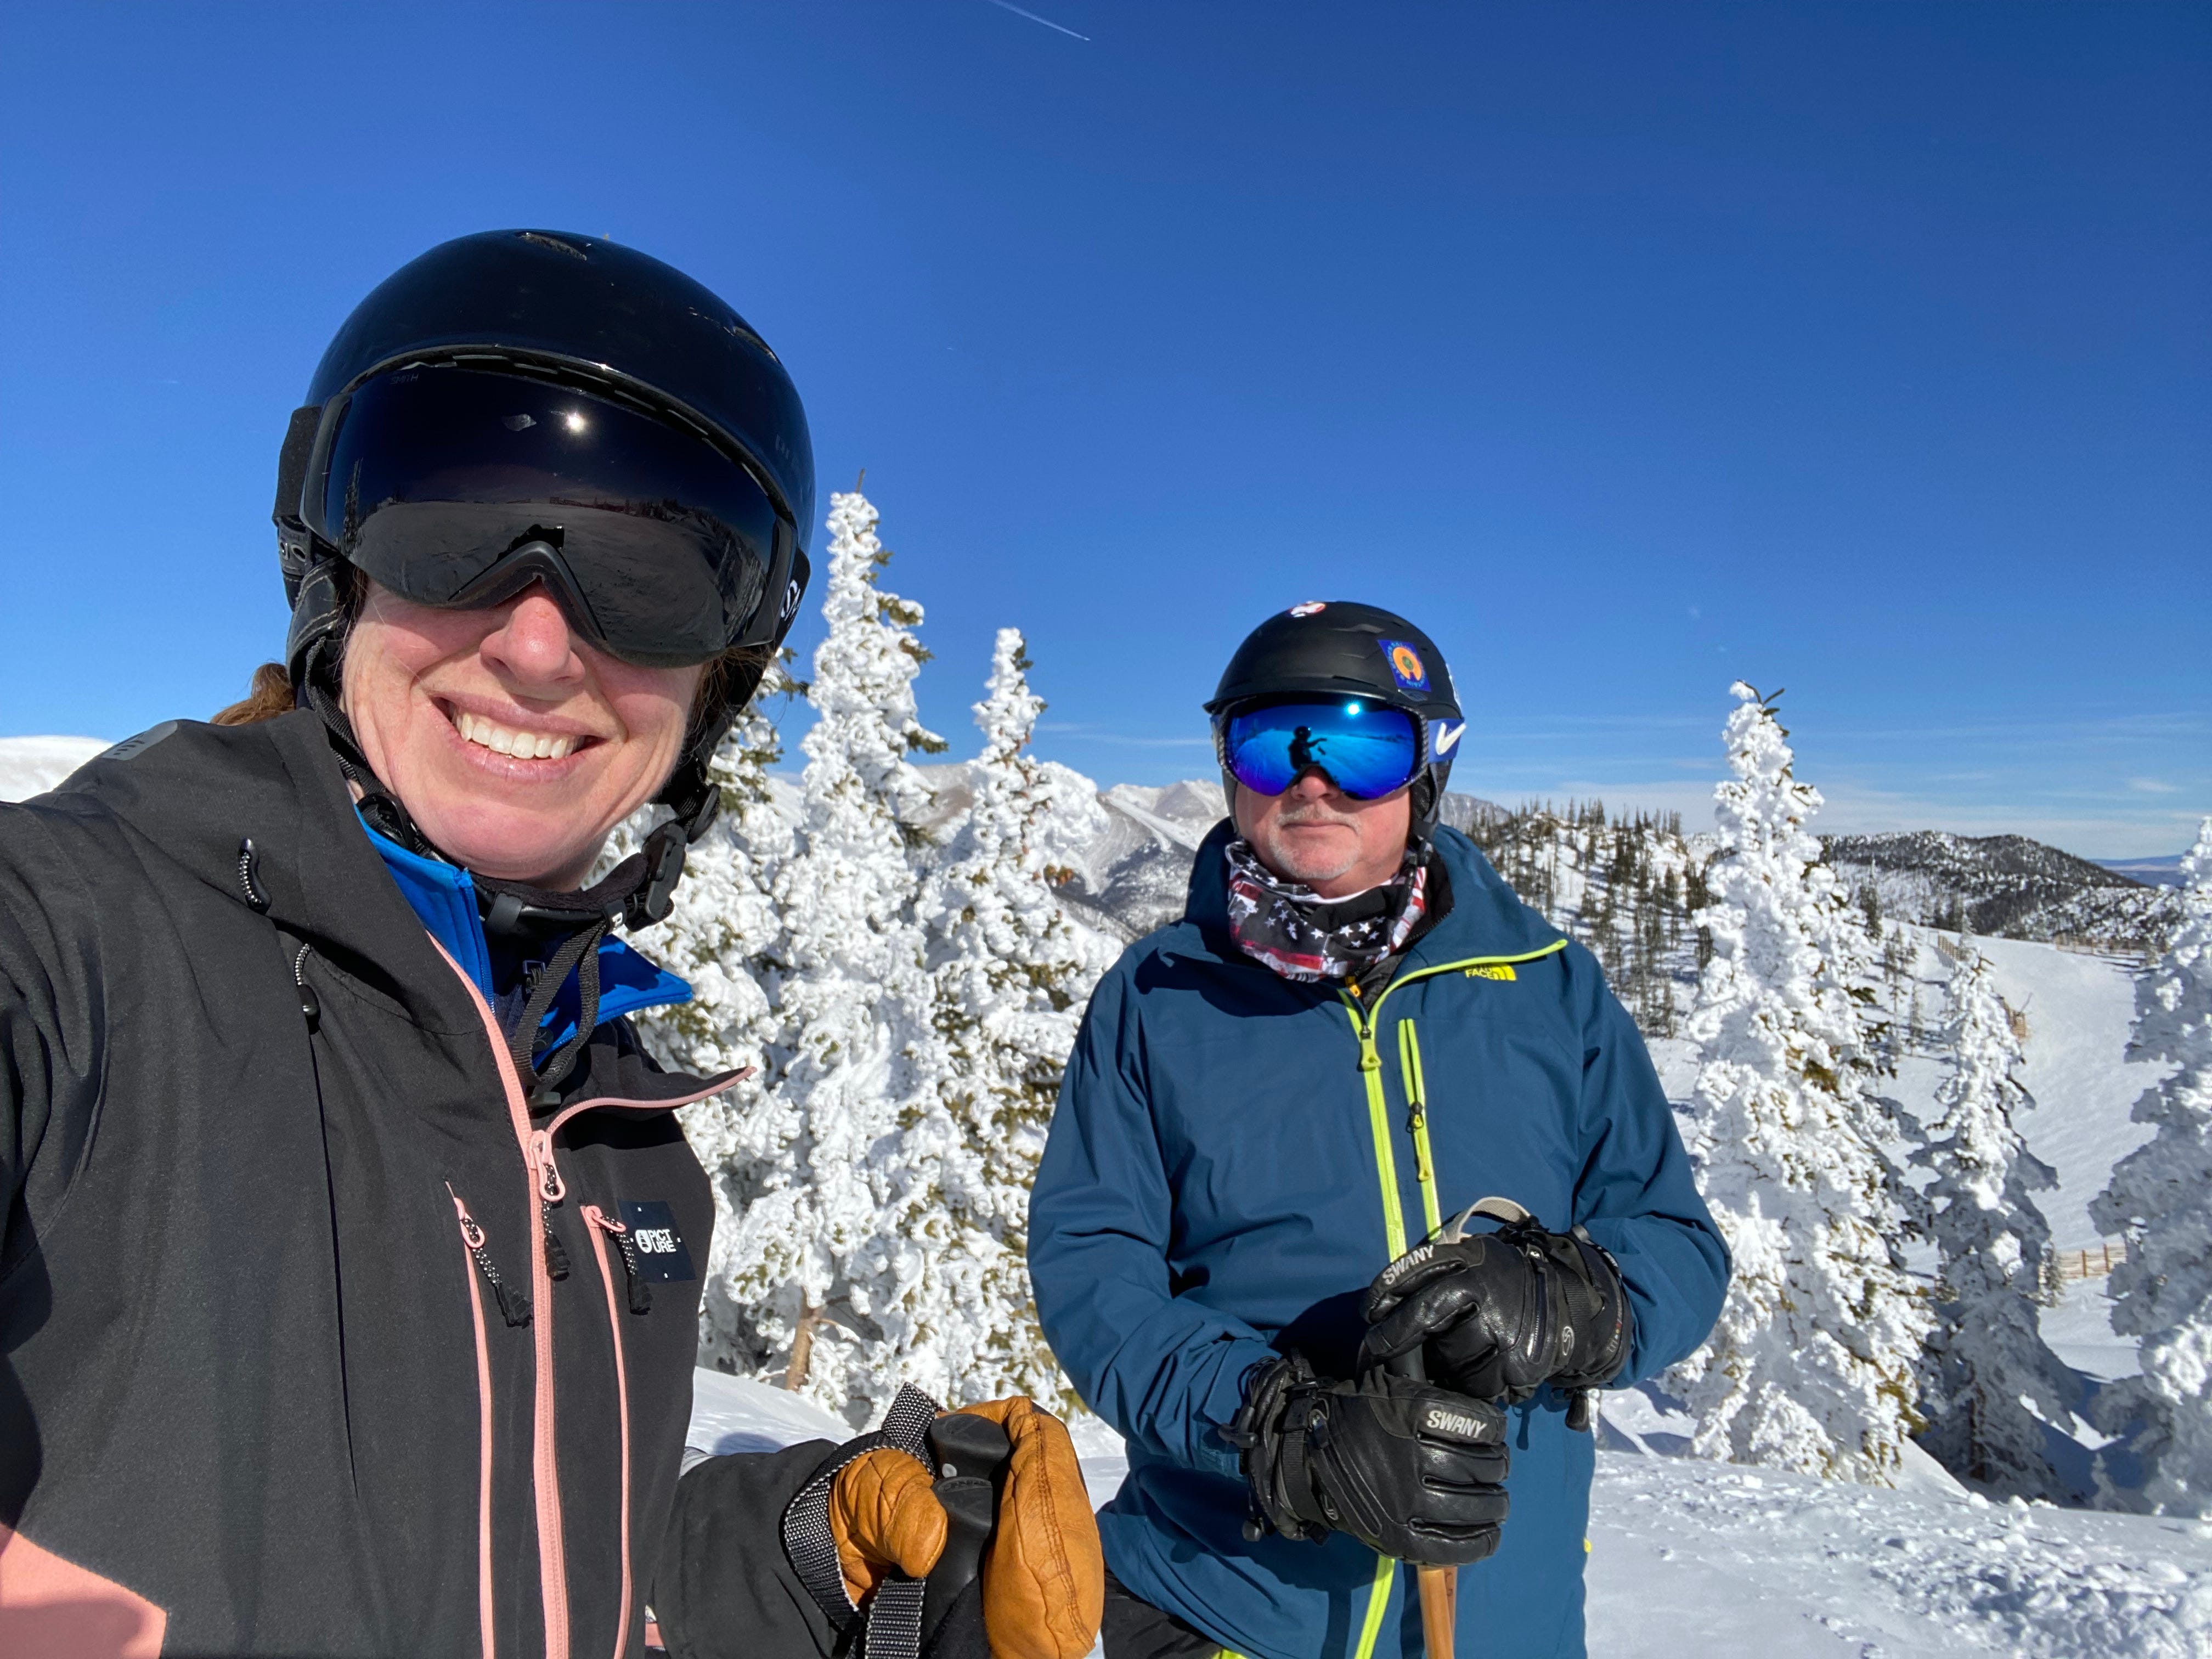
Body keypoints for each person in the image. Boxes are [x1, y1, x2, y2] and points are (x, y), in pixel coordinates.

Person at [0, 229, 1101, 1659]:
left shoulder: (623, 1142)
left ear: (722, 677)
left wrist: (809, 1545)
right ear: (336, 565)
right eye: (452, 524)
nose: (537, 642)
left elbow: (553, 1578)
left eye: (650, 572)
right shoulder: (80, 948)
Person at [1028, 601, 1730, 1659]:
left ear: (1426, 772)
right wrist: (1276, 1428)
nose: (1312, 782)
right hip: (1222, 1603)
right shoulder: (1159, 997)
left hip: (1504, 1614)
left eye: (1360, 747)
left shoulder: (1548, 988)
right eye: (1272, 745)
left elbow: (1677, 1242)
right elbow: (1094, 1275)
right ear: (1230, 770)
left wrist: (1573, 1298)